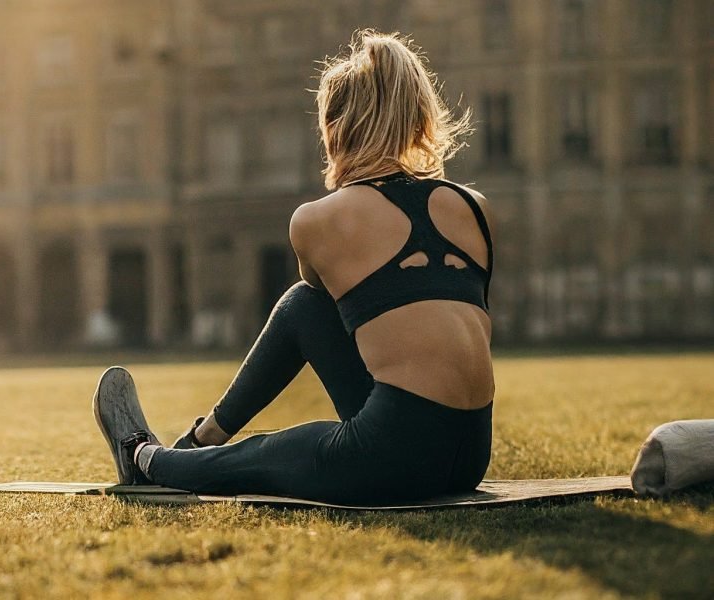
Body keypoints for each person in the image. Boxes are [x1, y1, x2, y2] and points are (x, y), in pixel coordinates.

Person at [92, 29, 495, 506]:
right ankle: (200, 442)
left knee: (267, 454)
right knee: (307, 307)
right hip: (470, 454)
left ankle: (148, 457)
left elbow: (313, 301)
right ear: (416, 117)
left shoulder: (318, 220)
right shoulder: (474, 207)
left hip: (396, 461)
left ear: (338, 128)